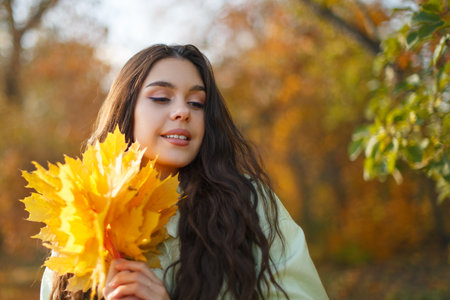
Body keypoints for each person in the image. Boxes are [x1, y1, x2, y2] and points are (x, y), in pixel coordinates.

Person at [40, 44, 328, 300]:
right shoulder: (82, 211)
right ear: (127, 110)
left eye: (196, 103)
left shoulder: (247, 204)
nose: (183, 112)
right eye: (162, 98)